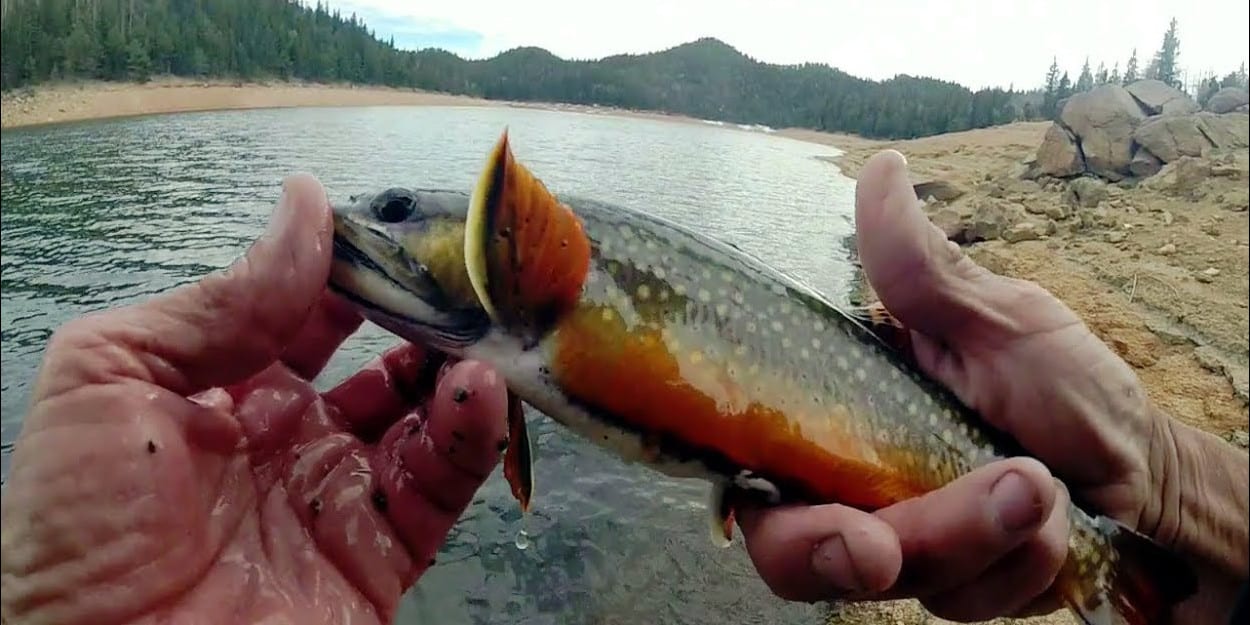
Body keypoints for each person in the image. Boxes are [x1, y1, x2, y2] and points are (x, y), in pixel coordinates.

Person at [0, 152, 1245, 625]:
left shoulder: (541, 274)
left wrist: (1157, 473)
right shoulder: (486, 364)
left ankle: (1118, 575)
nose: (360, 228)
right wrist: (1168, 472)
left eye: (396, 216)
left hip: (977, 464)